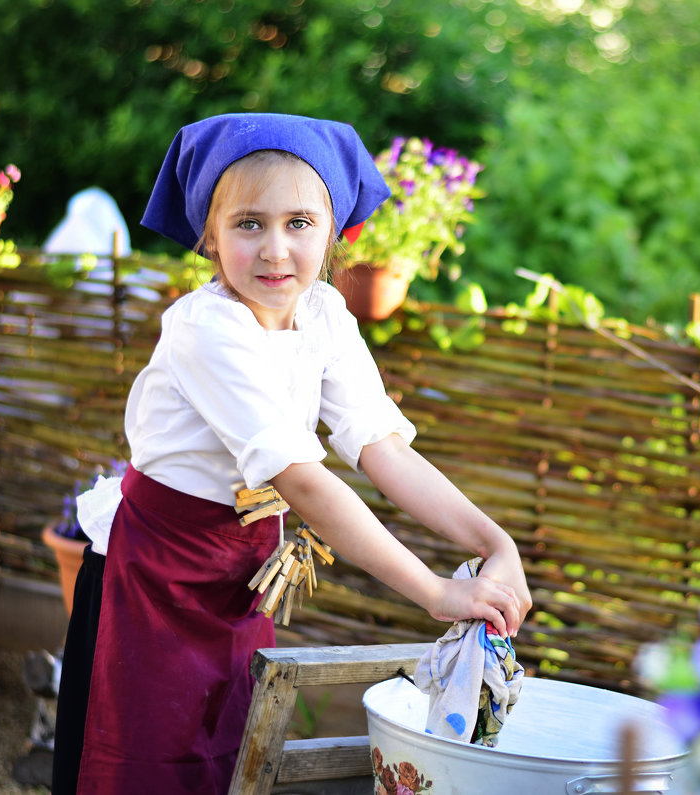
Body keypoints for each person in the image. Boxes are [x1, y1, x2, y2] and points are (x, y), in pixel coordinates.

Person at [51, 113, 531, 794]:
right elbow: (304, 482)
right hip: (152, 575)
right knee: (147, 768)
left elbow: (381, 449)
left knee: (230, 762)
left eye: (299, 223)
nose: (276, 249)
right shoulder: (206, 329)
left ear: (332, 232)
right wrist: (436, 591)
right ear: (209, 237)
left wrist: (493, 540)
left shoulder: (326, 315)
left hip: (238, 572)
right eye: (249, 224)